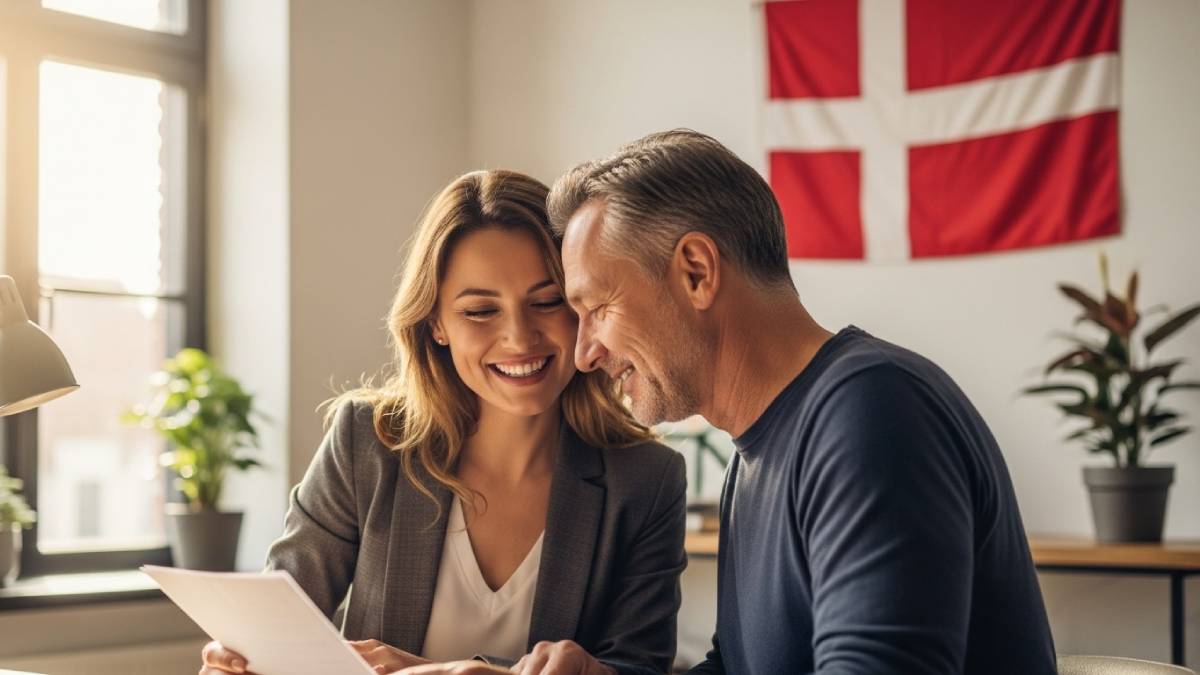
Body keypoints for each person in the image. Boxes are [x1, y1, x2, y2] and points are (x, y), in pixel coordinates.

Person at [521, 129, 1057, 674]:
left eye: (598, 307)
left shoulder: (872, 412)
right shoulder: (757, 457)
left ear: (696, 273)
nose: (584, 353)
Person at [199, 170, 687, 675]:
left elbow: (640, 667)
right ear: (435, 322)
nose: (520, 339)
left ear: (583, 306)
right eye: (480, 311)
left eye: (547, 302)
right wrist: (239, 660)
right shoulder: (365, 442)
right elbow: (277, 630)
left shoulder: (646, 481)